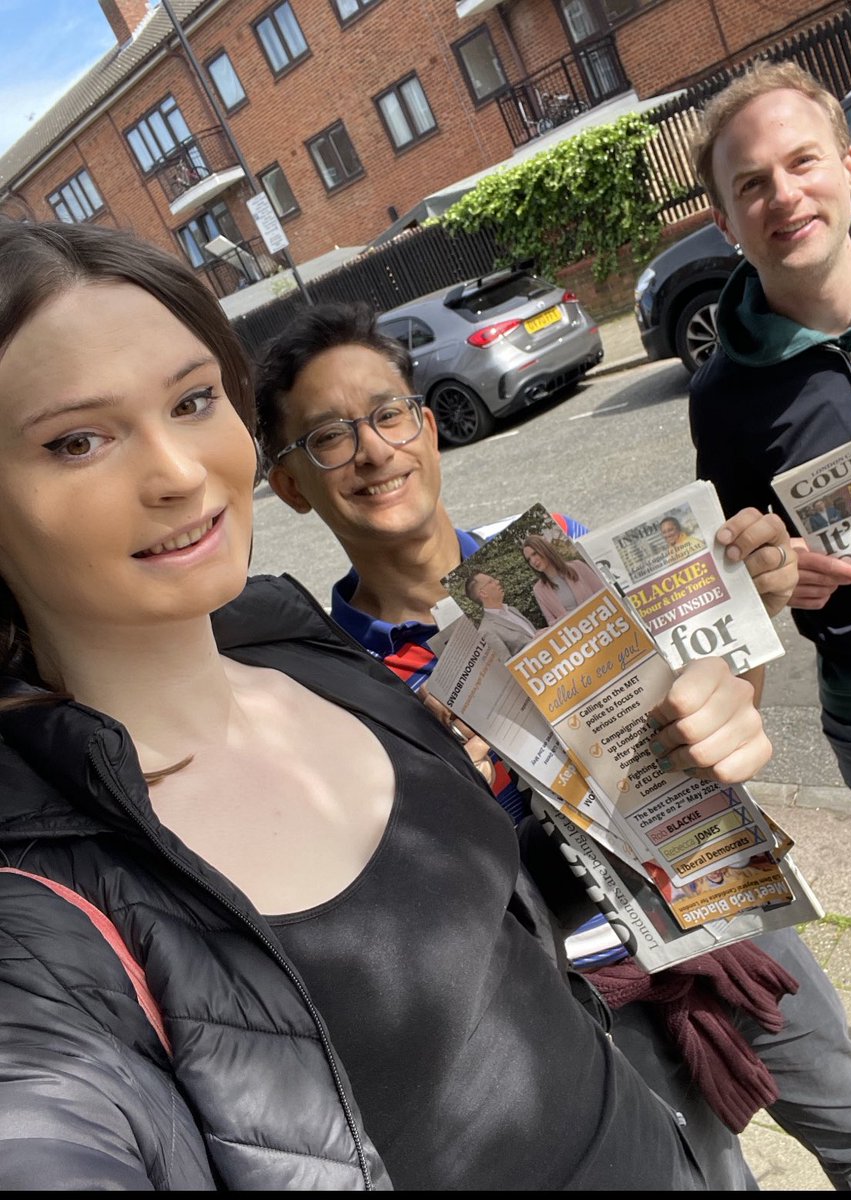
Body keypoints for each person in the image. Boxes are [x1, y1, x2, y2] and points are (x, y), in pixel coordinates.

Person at [0, 220, 759, 1191]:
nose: (179, 473)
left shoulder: (309, 653)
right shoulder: (34, 908)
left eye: (193, 400)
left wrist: (671, 755)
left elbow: (487, 933)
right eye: (77, 440)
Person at [256, 300, 851, 1190]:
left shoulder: (547, 556)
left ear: (429, 426)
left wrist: (739, 625)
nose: (373, 451)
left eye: (387, 413)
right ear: (288, 483)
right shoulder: (336, 688)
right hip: (586, 1001)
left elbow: (694, 719)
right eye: (328, 437)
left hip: (722, 913)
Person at [688, 58, 851, 853]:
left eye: (802, 161)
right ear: (726, 223)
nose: (783, 195)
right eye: (750, 184)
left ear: (848, 166)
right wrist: (769, 575)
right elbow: (733, 570)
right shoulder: (721, 397)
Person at [521, 532, 602, 623]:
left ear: (544, 549)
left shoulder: (578, 567)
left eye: (535, 553)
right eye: (528, 559)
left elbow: (604, 593)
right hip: (577, 634)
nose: (533, 561)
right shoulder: (539, 590)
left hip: (603, 622)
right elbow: (552, 622)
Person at [464, 569, 539, 655]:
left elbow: (530, 635)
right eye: (490, 582)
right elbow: (508, 663)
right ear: (483, 593)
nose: (497, 581)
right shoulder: (487, 630)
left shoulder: (512, 610)